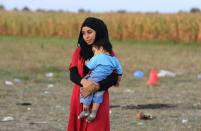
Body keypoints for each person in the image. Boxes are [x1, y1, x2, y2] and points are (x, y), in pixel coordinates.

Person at [67, 17, 119, 131]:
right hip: (80, 96)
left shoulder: (108, 53)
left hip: (98, 99)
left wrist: (96, 86)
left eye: (89, 32)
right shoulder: (78, 52)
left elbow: (114, 77)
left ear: (99, 32)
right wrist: (85, 83)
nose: (86, 36)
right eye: (84, 33)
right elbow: (73, 74)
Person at [78, 39, 123, 123]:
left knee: (86, 92)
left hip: (92, 80)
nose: (94, 54)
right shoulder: (115, 60)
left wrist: (86, 62)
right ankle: (93, 113)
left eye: (94, 51)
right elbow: (120, 72)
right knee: (98, 97)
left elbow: (87, 68)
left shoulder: (97, 58)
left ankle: (86, 110)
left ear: (101, 49)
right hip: (102, 84)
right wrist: (117, 81)